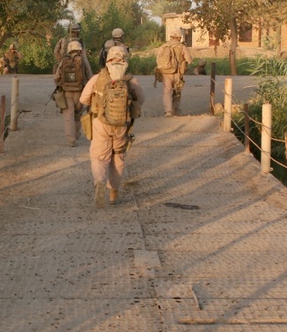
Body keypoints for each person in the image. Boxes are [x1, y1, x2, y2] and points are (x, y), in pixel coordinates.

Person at [79, 45, 143, 207]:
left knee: (99, 157)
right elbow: (140, 100)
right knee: (118, 156)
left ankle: (99, 182)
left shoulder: (97, 78)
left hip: (100, 122)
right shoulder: (131, 80)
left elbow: (83, 100)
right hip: (122, 124)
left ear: (107, 60)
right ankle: (113, 192)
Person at [53, 40, 90, 147]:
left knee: (68, 115)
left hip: (66, 92)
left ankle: (71, 140)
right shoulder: (83, 61)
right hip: (80, 92)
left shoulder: (64, 61)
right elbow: (90, 76)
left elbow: (56, 77)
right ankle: (76, 134)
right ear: (80, 50)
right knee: (78, 114)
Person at [156, 30, 193, 116]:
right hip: (177, 73)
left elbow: (158, 60)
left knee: (167, 91)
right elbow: (189, 60)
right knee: (177, 91)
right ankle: (175, 110)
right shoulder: (182, 46)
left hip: (165, 72)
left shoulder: (164, 46)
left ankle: (168, 111)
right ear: (179, 37)